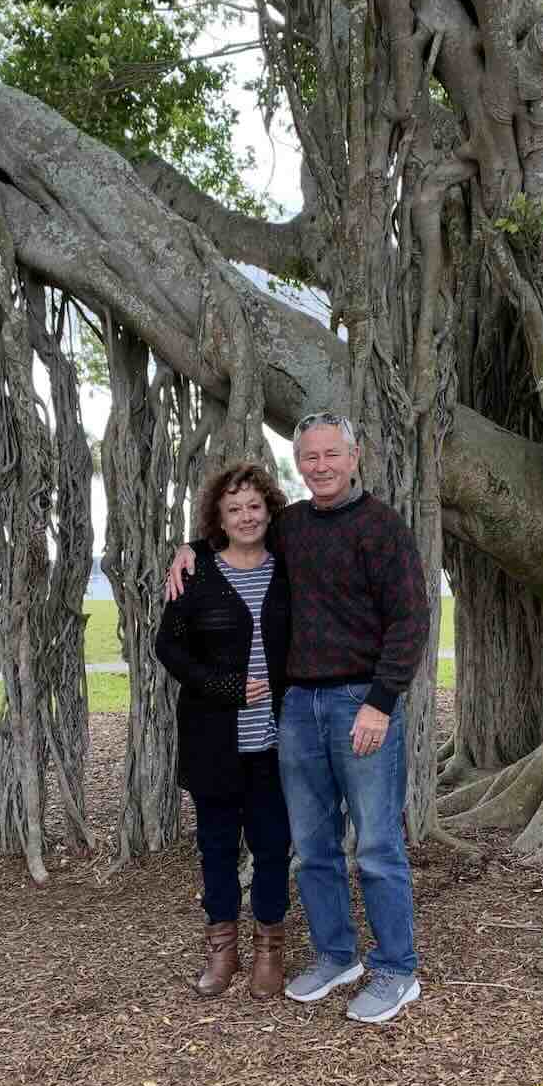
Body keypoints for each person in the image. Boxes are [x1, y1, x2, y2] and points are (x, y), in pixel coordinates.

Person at [168, 413, 429, 1025]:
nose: (320, 466)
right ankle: (338, 954)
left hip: (360, 702)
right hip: (297, 708)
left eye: (330, 454)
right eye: (309, 457)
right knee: (312, 847)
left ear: (354, 455)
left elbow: (410, 622)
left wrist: (381, 703)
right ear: (299, 464)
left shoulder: (383, 527)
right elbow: (238, 533)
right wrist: (190, 549)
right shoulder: (291, 527)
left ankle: (397, 968)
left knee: (378, 845)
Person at [155, 460, 294, 999]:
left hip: (277, 744)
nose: (245, 516)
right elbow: (167, 647)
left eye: (254, 506)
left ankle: (268, 950)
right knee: (216, 848)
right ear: (219, 515)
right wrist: (225, 686)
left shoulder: (287, 567)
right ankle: (222, 950)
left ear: (269, 511)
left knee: (272, 846)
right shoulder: (196, 574)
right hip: (214, 740)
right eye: (233, 508)